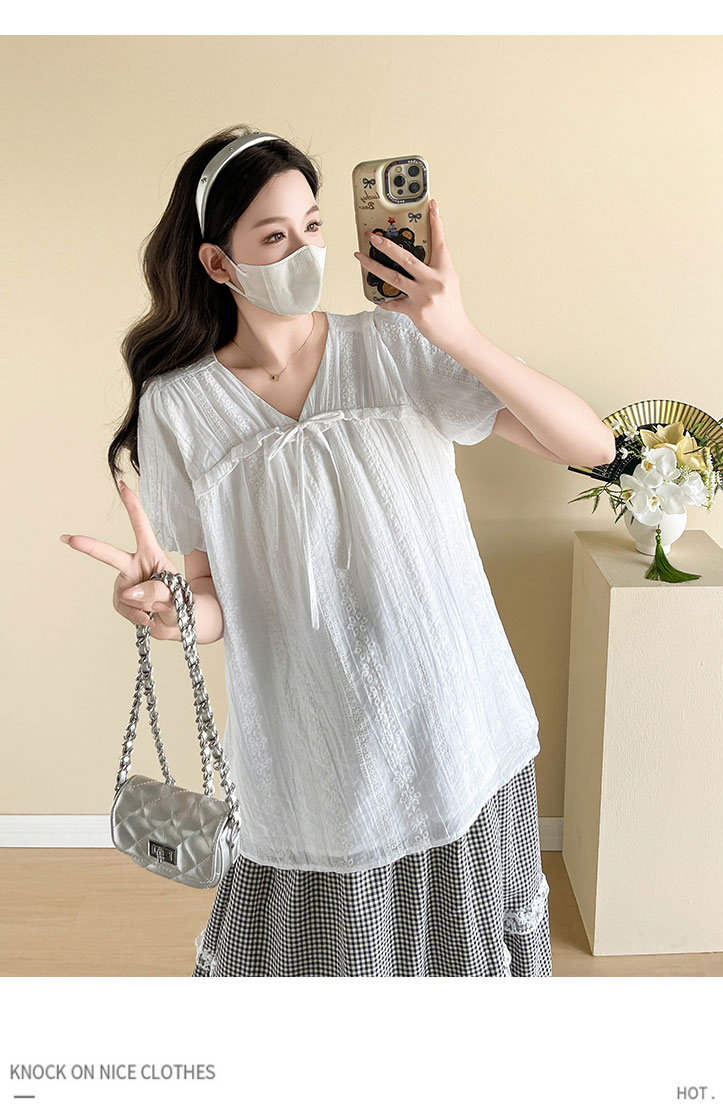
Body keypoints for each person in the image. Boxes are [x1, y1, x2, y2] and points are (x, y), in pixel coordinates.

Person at [60, 125, 606, 977]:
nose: (304, 251)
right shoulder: (180, 406)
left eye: (313, 226)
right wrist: (169, 608)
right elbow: (212, 596)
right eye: (274, 237)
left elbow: (592, 446)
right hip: (317, 758)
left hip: (456, 728)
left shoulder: (397, 346)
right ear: (218, 263)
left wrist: (455, 329)